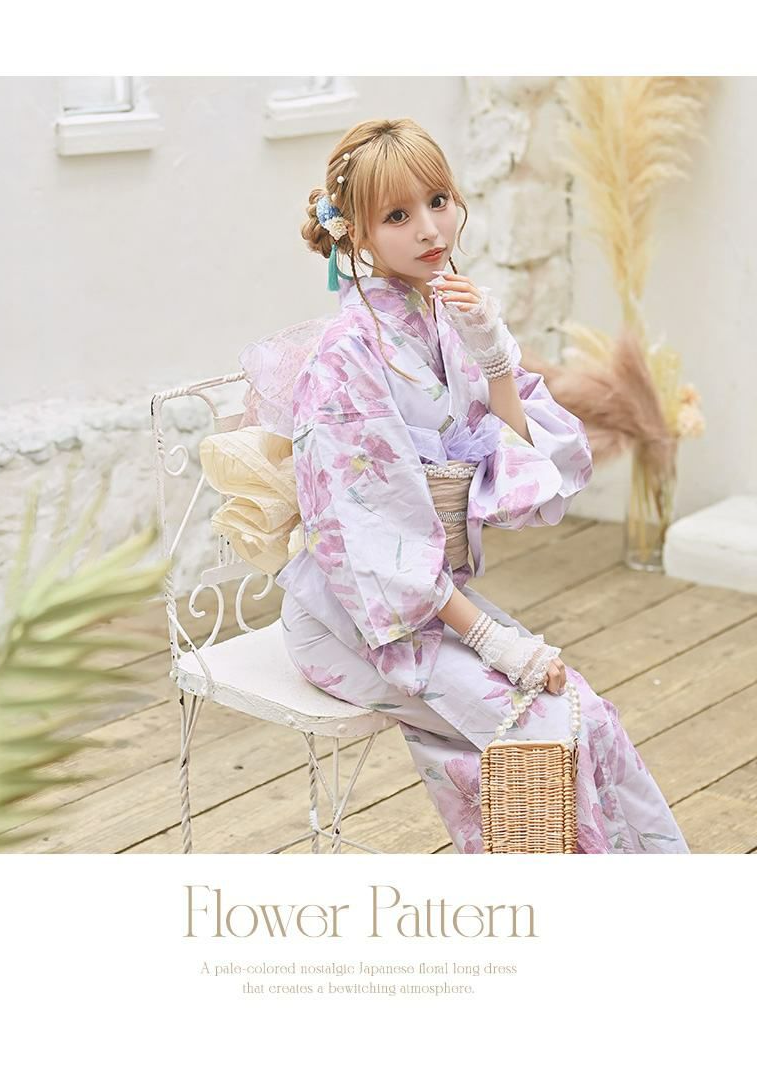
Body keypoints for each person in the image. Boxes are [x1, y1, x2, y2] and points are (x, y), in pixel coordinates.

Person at [250, 117, 690, 854]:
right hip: (352, 617)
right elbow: (368, 537)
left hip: (430, 604)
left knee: (589, 715)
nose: (430, 228)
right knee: (544, 730)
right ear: (356, 234)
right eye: (398, 215)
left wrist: (493, 359)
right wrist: (496, 642)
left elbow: (528, 459)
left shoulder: (447, 316)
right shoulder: (345, 359)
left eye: (438, 200)